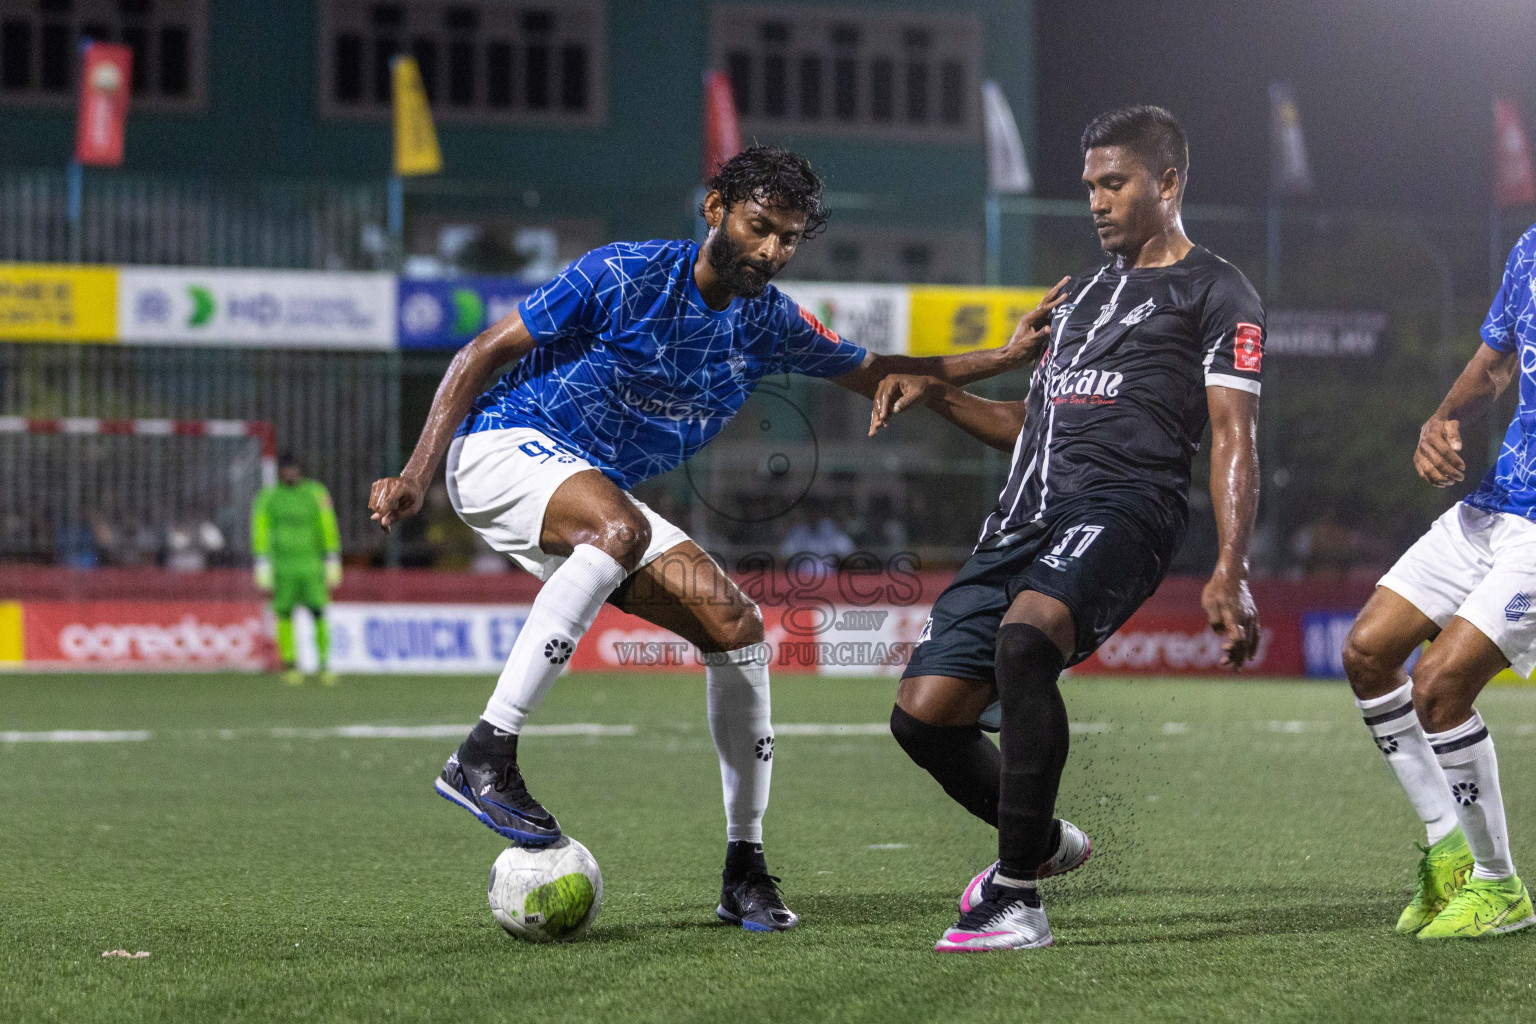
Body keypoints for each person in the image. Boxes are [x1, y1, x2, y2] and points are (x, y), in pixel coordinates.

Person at [367, 146, 1063, 932]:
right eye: (760, 227)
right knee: (619, 526)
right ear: (715, 210)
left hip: (593, 498)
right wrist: (417, 473)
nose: (772, 250)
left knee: (737, 627)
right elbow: (479, 353)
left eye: (789, 237)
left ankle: (745, 868)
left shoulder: (769, 322)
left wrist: (1003, 358)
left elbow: (888, 373)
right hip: (500, 448)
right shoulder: (624, 273)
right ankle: (485, 753)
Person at [869, 106, 1264, 951]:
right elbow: (1033, 425)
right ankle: (1044, 844)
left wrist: (1230, 565)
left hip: (1126, 511)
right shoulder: (1076, 295)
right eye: (1089, 185)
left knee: (1025, 642)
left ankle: (1014, 897)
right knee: (923, 719)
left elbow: (1234, 434)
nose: (1095, 201)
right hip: (1020, 521)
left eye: (1113, 183)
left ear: (1168, 183)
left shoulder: (1216, 290)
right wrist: (936, 392)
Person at [1339, 226, 1536, 940]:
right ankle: (1447, 845)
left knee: (1440, 686)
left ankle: (1498, 884)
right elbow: (1493, 366)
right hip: (1495, 504)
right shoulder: (1529, 249)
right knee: (1367, 651)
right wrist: (1443, 419)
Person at [252, 452, 343, 685]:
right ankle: (290, 664)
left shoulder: (315, 493)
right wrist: (261, 559)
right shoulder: (269, 497)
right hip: (282, 566)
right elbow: (261, 528)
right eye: (286, 469)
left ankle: (324, 664)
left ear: (300, 470)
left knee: (319, 611)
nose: (290, 473)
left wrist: (332, 556)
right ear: (280, 472)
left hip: (312, 564)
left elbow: (327, 524)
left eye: (293, 468)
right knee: (284, 613)